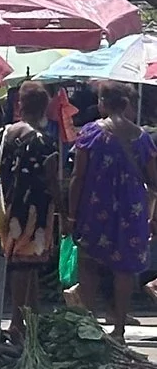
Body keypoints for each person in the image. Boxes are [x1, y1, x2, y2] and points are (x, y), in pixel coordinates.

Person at [67, 82, 157, 341]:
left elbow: (77, 177)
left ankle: (89, 325)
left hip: (95, 208)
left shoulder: (90, 134)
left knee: (89, 263)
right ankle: (119, 328)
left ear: (101, 103)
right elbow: (154, 181)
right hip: (132, 211)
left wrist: (71, 215)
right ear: (126, 104)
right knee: (124, 269)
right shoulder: (142, 138)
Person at [0, 81, 61, 341]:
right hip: (36, 210)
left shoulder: (4, 134)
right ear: (44, 107)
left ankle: (30, 316)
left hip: (9, 207)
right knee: (25, 266)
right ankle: (19, 322)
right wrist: (63, 212)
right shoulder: (44, 141)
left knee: (21, 264)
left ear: (19, 105)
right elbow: (52, 180)